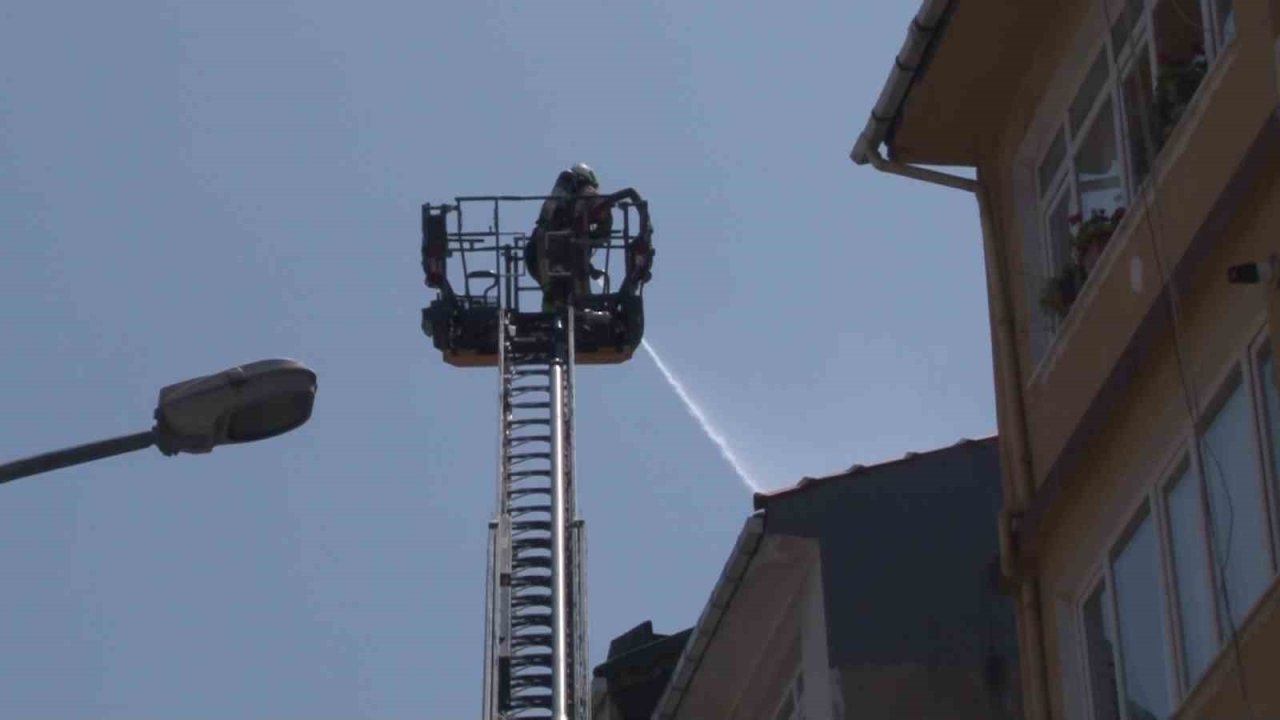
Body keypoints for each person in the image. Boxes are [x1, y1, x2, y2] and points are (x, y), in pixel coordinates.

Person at [526, 163, 612, 309]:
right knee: (578, 297)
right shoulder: (586, 191)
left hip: (536, 250)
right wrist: (601, 233)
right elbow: (602, 210)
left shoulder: (553, 200)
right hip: (566, 251)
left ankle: (550, 317)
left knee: (551, 293)